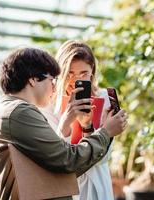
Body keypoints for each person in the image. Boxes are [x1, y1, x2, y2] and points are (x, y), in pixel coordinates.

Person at [0, 47, 128, 200]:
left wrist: (88, 127)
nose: (54, 86)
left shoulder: (16, 111)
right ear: (33, 79)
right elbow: (67, 160)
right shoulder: (20, 113)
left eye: (84, 73)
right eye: (51, 80)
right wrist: (106, 132)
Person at [40, 40, 119, 200]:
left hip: (99, 185)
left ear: (92, 72)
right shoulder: (48, 107)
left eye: (84, 74)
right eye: (70, 73)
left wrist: (90, 126)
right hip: (68, 188)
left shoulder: (104, 98)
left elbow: (104, 156)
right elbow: (58, 157)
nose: (76, 80)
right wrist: (66, 121)